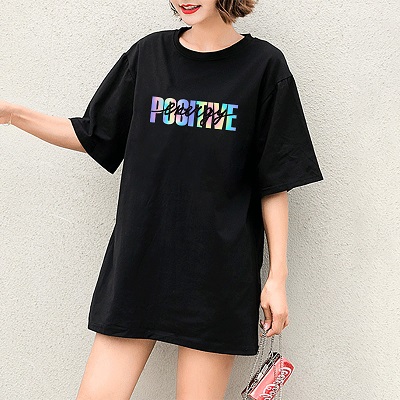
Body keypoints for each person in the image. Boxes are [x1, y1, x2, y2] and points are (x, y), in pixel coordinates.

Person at [0, 0, 324, 399]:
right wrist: (12, 113)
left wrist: (277, 278)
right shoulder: (148, 55)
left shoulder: (264, 66)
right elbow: (94, 135)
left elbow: (274, 180)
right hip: (140, 264)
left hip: (218, 276)